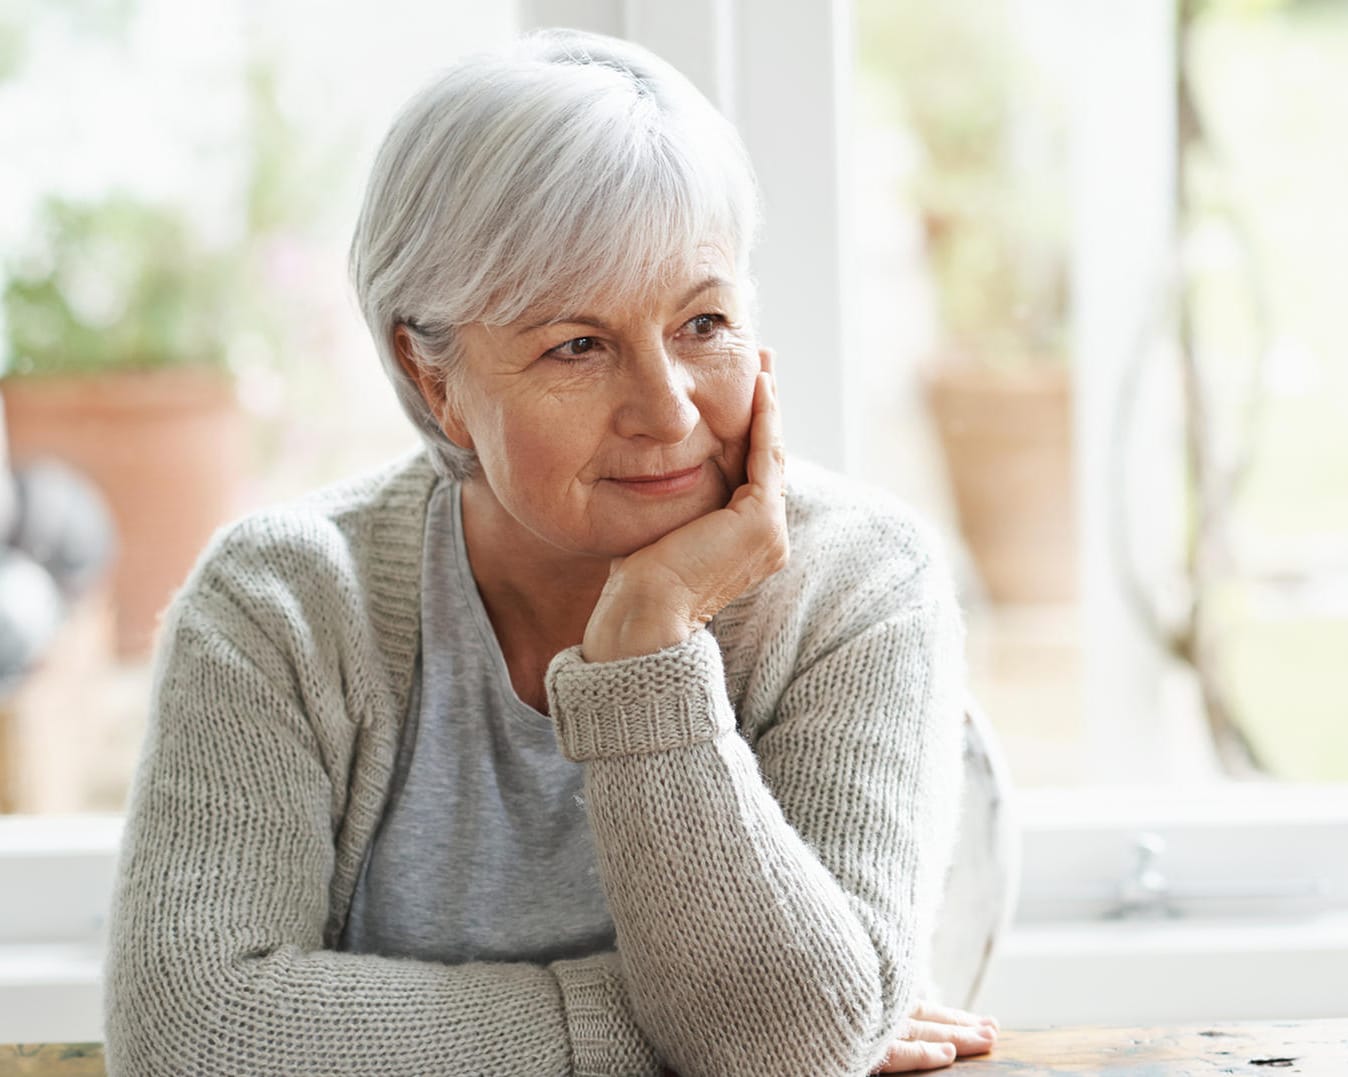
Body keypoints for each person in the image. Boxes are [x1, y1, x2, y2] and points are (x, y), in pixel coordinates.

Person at [104, 28, 996, 1076]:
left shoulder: (861, 583)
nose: (667, 412)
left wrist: (646, 648)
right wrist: (653, 1027)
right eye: (577, 344)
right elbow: (192, 1035)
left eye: (702, 322)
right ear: (432, 377)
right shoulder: (282, 603)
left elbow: (783, 1050)